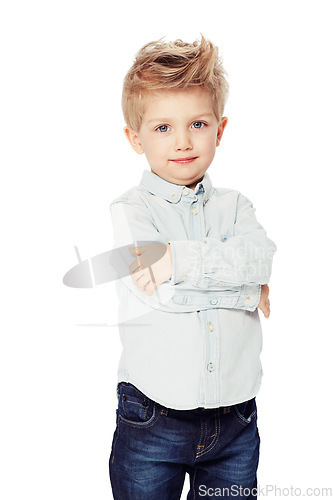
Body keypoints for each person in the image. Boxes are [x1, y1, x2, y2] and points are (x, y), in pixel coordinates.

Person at [108, 34, 277, 499]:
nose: (183, 141)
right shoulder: (130, 211)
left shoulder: (236, 206)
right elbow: (161, 295)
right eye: (162, 128)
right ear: (134, 137)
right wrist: (246, 293)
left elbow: (260, 257)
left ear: (220, 130)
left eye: (198, 123)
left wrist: (176, 260)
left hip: (236, 421)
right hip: (153, 421)